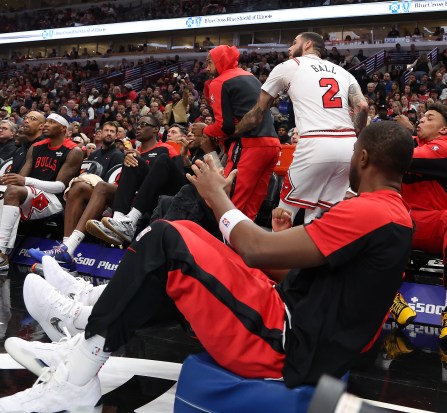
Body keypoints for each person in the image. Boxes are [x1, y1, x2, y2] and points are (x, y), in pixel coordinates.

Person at [0, 122, 415, 412]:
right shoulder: (390, 213)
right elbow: (299, 275)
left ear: (361, 157)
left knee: (168, 241)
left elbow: (255, 249)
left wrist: (218, 196)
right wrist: (276, 244)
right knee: (177, 232)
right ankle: (84, 324)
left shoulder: (371, 212)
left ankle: (77, 368)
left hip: (287, 346)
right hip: (298, 329)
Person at [234, 32, 368, 224]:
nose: (289, 48)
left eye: (294, 42)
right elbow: (362, 106)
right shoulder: (343, 72)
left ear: (307, 45)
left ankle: (277, 253)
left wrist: (232, 132)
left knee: (284, 214)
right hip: (348, 146)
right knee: (322, 219)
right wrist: (355, 135)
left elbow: (256, 115)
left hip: (316, 143)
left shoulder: (289, 66)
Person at [28, 116, 177, 265]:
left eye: (144, 124)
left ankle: (127, 222)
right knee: (86, 187)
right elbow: (121, 185)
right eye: (137, 123)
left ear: (156, 129)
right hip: (130, 198)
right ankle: (68, 247)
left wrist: (183, 158)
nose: (138, 127)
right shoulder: (132, 153)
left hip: (156, 197)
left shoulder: (166, 149)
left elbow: (176, 175)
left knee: (148, 161)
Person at [398, 104, 447, 344]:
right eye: (421, 117)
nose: (421, 120)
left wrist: (397, 137)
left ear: (443, 129)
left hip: (435, 224)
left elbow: (394, 152)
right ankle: (390, 298)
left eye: (429, 118)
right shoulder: (410, 142)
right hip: (404, 221)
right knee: (373, 215)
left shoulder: (446, 147)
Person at [191, 45, 281, 222]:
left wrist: (205, 130)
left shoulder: (220, 82)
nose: (207, 68)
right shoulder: (250, 76)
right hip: (272, 144)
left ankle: (225, 247)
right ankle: (245, 247)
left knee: (230, 203)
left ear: (219, 61)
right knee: (252, 206)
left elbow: (224, 127)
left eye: (209, 63)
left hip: (249, 145)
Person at [0, 114, 83, 268]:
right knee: (4, 191)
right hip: (32, 193)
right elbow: (21, 178)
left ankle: (1, 252)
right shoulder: (36, 147)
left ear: (63, 128)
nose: (46, 125)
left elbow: (60, 186)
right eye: (46, 122)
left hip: (56, 200)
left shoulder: (73, 150)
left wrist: (26, 182)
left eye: (52, 122)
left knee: (12, 193)